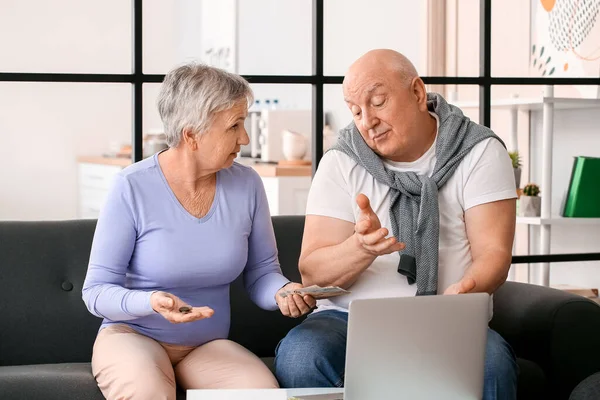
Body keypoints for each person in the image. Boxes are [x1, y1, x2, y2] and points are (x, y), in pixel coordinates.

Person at [274, 49, 519, 400]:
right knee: (301, 357)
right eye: (355, 111)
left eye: (378, 102)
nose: (367, 121)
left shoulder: (478, 151)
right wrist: (360, 248)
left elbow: (493, 251)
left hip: (444, 316)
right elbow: (312, 272)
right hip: (347, 320)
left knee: (492, 364)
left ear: (418, 93)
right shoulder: (341, 161)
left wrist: (464, 293)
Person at [82, 63, 315, 400]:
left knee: (260, 393)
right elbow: (96, 291)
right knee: (148, 392)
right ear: (191, 135)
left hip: (205, 346)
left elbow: (262, 273)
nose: (245, 138)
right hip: (133, 336)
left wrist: (284, 292)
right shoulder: (131, 187)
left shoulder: (247, 184)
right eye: (234, 126)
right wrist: (151, 301)